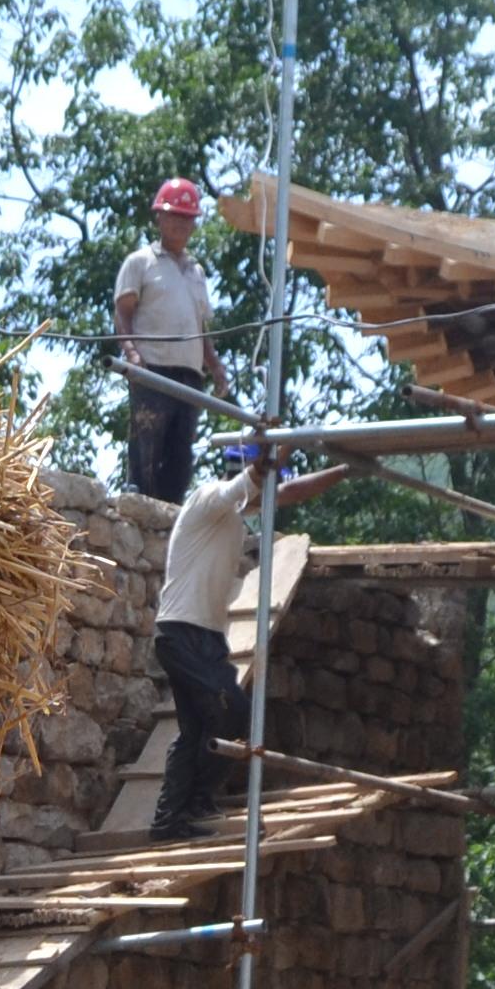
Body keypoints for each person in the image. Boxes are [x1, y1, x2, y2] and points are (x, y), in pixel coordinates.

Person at [150, 446, 350, 841]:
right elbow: (259, 475)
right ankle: (192, 804)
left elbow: (291, 492)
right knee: (232, 710)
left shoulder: (235, 516)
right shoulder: (210, 500)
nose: (272, 493)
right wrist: (280, 446)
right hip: (181, 631)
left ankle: (170, 818)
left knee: (196, 729)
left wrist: (345, 470)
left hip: (201, 635)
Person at [112, 177, 217, 501]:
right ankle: (138, 496)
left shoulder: (195, 272)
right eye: (174, 216)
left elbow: (202, 327)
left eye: (187, 218)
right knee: (147, 438)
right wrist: (130, 351)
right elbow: (122, 312)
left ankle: (171, 509)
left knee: (180, 448)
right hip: (153, 365)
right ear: (160, 218)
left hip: (189, 372)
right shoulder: (141, 262)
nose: (180, 224)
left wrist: (216, 367)